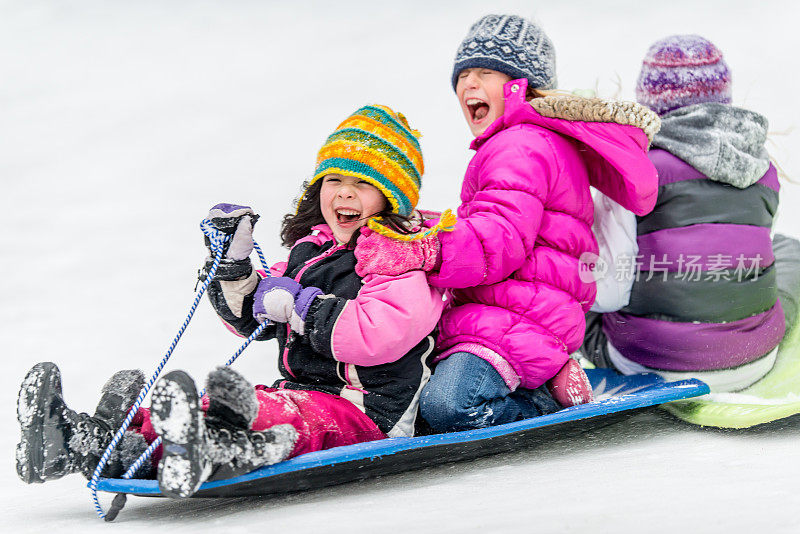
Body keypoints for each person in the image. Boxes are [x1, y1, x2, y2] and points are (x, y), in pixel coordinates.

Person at [16, 104, 446, 498]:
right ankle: (95, 438)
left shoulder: (402, 259)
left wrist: (300, 307)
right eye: (334, 180)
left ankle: (208, 444)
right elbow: (254, 316)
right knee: (222, 405)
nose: (344, 194)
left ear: (392, 198)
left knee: (270, 412)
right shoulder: (311, 252)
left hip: (366, 413)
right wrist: (234, 268)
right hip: (302, 394)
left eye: (363, 184)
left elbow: (377, 335)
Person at [354, 14, 661, 432]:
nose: (468, 85)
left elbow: (497, 240)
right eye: (462, 76)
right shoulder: (520, 143)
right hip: (503, 314)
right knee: (419, 400)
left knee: (449, 407)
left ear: (522, 84)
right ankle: (542, 379)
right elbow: (493, 222)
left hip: (519, 319)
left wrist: (427, 249)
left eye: (484, 72)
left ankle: (544, 399)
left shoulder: (521, 144)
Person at [581, 35, 800, 391]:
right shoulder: (762, 167)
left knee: (572, 285)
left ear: (649, 102)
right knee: (789, 250)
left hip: (653, 363)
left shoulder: (637, 174)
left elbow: (608, 292)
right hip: (753, 359)